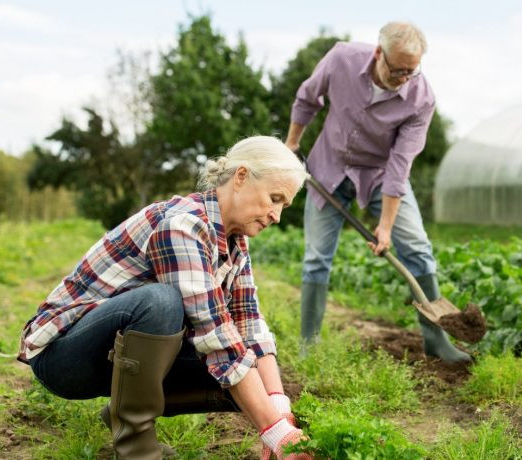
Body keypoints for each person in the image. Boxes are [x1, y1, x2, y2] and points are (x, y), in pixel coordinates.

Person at [18, 136, 314, 460]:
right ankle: (137, 449)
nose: (276, 215)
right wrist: (275, 432)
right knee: (161, 303)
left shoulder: (235, 242)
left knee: (250, 381)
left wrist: (278, 409)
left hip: (114, 356)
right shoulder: (183, 224)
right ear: (241, 176)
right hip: (64, 357)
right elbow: (215, 334)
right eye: (274, 198)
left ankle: (124, 411)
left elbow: (249, 321)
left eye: (284, 205)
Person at [284, 22, 470, 363]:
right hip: (330, 166)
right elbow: (308, 98)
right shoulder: (342, 59)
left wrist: (385, 225)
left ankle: (437, 341)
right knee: (316, 257)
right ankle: (309, 345)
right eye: (397, 70)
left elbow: (400, 165)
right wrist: (291, 144)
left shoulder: (421, 98)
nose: (403, 78)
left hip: (381, 175)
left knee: (417, 248)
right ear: (378, 53)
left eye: (411, 71)